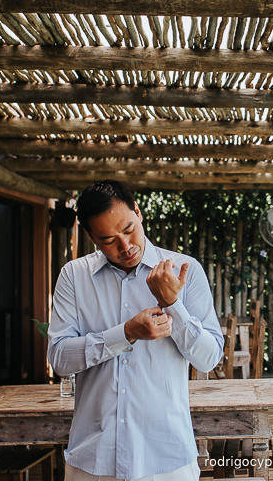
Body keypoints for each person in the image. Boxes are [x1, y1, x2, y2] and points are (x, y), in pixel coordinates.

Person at [48, 180, 224, 481]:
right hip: (93, 460)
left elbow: (208, 359)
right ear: (90, 237)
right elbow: (60, 360)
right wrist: (126, 333)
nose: (125, 246)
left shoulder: (186, 270)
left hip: (168, 460)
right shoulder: (73, 277)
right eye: (108, 239)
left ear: (138, 213)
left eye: (128, 229)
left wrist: (173, 304)